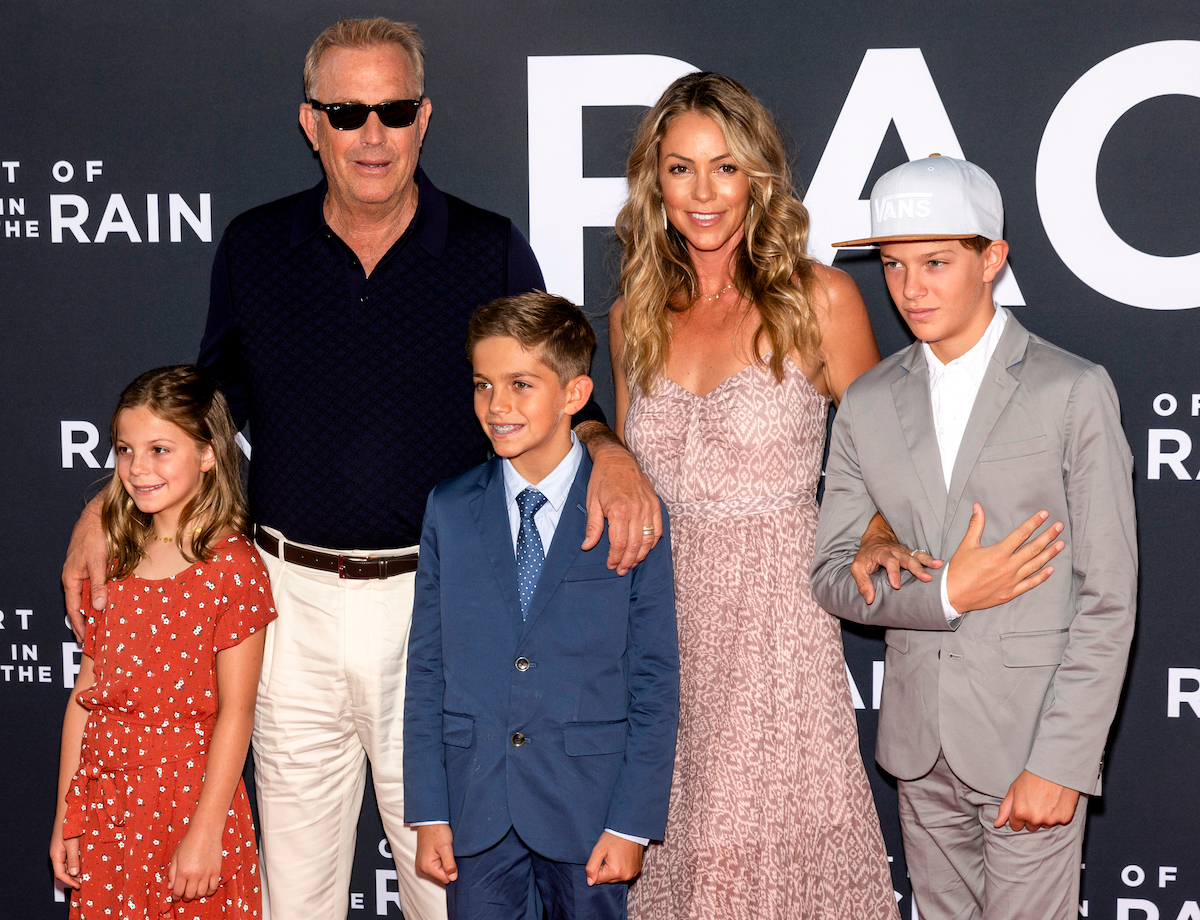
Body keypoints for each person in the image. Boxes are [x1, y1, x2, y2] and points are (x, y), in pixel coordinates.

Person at [60, 18, 662, 920]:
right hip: (284, 601)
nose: (371, 135)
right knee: (294, 889)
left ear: (424, 119)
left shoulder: (487, 246)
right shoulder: (257, 248)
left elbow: (549, 380)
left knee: (442, 883)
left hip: (440, 608)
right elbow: (205, 411)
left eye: (391, 111)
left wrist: (610, 452)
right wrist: (106, 497)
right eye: (348, 112)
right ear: (312, 124)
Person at [811, 154, 1137, 920]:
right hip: (920, 752)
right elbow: (831, 574)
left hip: (1028, 743)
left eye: (935, 262)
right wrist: (950, 590)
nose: (911, 288)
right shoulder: (866, 400)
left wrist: (1062, 760)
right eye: (892, 265)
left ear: (991, 259)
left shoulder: (1072, 389)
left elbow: (1108, 597)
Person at [609, 72, 899, 919]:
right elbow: (629, 478)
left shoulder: (821, 299)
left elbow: (889, 456)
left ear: (758, 180)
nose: (704, 192)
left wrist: (876, 523)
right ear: (653, 182)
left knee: (766, 844)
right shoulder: (635, 317)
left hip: (777, 620)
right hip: (662, 617)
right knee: (681, 842)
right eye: (681, 168)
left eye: (725, 168)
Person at [403, 292, 679, 920]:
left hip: (589, 814)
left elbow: (654, 679)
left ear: (576, 394)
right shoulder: (449, 508)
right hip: (476, 813)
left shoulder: (628, 512)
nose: (496, 407)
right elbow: (426, 671)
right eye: (482, 385)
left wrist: (632, 824)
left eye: (521, 385)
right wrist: (430, 810)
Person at [50, 365, 276, 918]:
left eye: (159, 449)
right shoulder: (116, 559)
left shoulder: (234, 568)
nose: (137, 468)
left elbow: (236, 713)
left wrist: (205, 832)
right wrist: (66, 816)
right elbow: (85, 699)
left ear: (207, 453)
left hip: (188, 802)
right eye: (125, 450)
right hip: (106, 805)